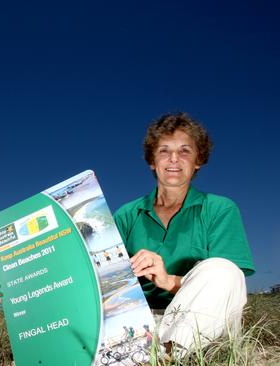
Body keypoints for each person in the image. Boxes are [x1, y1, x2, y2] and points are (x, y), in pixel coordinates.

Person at [113, 112, 255, 356]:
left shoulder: (220, 209)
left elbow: (226, 287)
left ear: (198, 159)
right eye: (164, 151)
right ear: (151, 160)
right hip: (141, 322)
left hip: (204, 323)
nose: (174, 159)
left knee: (224, 270)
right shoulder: (126, 214)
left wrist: (167, 280)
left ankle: (168, 356)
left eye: (185, 151)